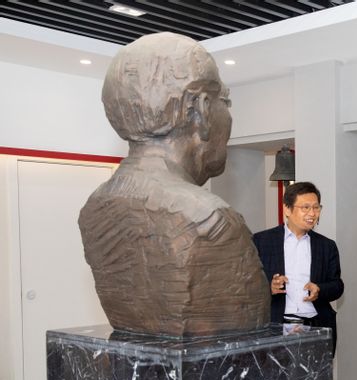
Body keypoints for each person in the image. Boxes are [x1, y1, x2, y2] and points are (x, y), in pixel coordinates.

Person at [79, 32, 269, 337]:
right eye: (225, 101)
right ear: (202, 109)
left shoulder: (95, 205)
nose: (229, 115)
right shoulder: (211, 222)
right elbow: (247, 333)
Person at [253, 181, 343, 354]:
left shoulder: (327, 246)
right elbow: (246, 285)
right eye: (305, 207)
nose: (312, 213)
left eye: (316, 208)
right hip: (276, 327)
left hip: (316, 327)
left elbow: (337, 286)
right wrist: (268, 287)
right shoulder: (261, 241)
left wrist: (320, 289)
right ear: (287, 209)